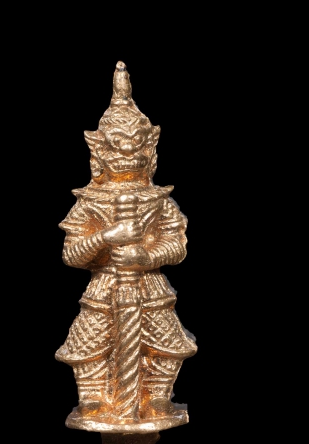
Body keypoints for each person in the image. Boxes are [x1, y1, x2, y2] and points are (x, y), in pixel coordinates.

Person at [55, 62, 197, 420]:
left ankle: (157, 395)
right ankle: (93, 396)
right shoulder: (90, 202)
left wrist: (146, 257)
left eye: (137, 148)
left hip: (148, 285)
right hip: (104, 286)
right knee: (90, 343)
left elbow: (177, 245)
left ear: (151, 151)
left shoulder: (158, 201)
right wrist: (106, 237)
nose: (129, 156)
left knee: (165, 342)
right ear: (99, 153)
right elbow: (72, 254)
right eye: (119, 149)